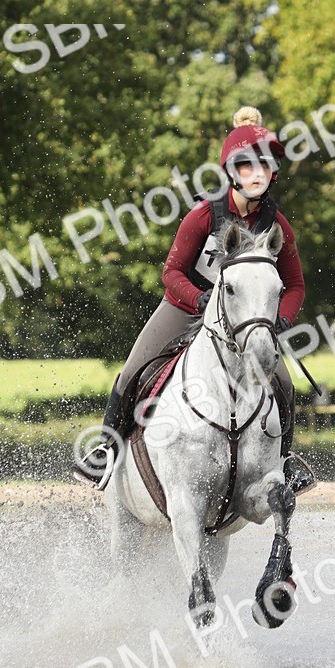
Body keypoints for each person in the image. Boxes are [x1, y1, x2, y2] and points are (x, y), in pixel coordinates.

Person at [73, 106, 313, 494]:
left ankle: (285, 464)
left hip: (243, 322)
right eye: (248, 167)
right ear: (232, 171)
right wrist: (200, 299)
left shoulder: (277, 224)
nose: (257, 176)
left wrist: (281, 317)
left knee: (283, 382)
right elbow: (171, 273)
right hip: (185, 306)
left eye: (265, 168)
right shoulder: (204, 215)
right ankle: (105, 449)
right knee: (134, 368)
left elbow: (296, 285)